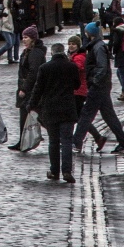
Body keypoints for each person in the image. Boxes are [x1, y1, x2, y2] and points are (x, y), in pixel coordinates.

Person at [73, 23, 124, 157]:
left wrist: (94, 81)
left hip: (99, 87)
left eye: (86, 32)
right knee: (109, 116)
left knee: (86, 115)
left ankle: (76, 142)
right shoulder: (96, 46)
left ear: (89, 33)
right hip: (101, 86)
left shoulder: (98, 47)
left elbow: (102, 67)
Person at [29, 41, 79, 183]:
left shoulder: (45, 68)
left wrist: (31, 104)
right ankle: (67, 171)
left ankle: (54, 170)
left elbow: (38, 88)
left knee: (54, 141)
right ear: (63, 52)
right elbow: (77, 85)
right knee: (67, 141)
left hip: (50, 109)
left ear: (52, 53)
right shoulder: (71, 66)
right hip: (68, 109)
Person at [14, 26, 46, 144]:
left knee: (40, 116)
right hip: (29, 88)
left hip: (32, 90)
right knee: (28, 114)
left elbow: (33, 72)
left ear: (32, 39)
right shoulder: (27, 52)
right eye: (23, 37)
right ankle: (22, 142)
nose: (24, 40)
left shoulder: (35, 53)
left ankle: (58, 136)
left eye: (26, 37)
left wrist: (24, 88)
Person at [0, 0, 19, 67]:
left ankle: (10, 58)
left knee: (11, 44)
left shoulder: (10, 10)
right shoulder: (6, 10)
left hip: (10, 30)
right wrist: (11, 27)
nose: (12, 4)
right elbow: (5, 21)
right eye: (11, 3)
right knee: (9, 43)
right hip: (6, 30)